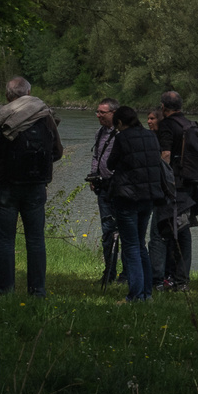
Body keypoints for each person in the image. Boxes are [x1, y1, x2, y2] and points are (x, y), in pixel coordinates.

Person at [0, 76, 62, 296]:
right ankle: (37, 291)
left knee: (5, 240)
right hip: (35, 186)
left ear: (7, 96)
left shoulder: (0, 118)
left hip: (3, 186)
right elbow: (57, 152)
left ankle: (4, 291)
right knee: (36, 240)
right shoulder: (44, 116)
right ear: (29, 93)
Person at [106, 105, 165, 301]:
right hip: (148, 197)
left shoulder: (122, 138)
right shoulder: (151, 136)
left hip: (127, 197)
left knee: (130, 246)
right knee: (141, 244)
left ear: (121, 123)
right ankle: (147, 292)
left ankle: (135, 294)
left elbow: (110, 164)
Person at [154, 90, 198, 290]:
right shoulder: (190, 124)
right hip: (190, 184)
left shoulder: (167, 125)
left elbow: (165, 155)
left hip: (173, 186)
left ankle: (173, 279)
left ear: (163, 107)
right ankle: (178, 278)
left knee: (167, 232)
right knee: (182, 230)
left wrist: (161, 183)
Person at [87, 98, 124, 286]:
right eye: (98, 112)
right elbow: (96, 156)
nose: (98, 115)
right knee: (107, 231)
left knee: (126, 231)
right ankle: (109, 272)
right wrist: (94, 175)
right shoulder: (99, 133)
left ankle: (126, 274)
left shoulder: (122, 134)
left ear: (114, 113)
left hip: (120, 188)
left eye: (103, 112)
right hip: (103, 188)